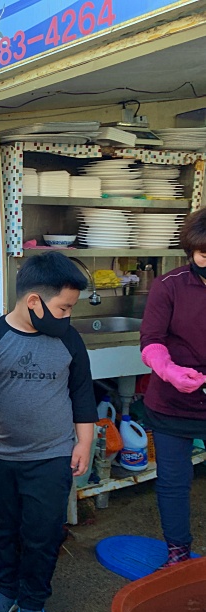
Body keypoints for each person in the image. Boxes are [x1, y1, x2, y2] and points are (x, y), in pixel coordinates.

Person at [0, 251, 95, 612]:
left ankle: (33, 597)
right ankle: (6, 589)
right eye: (63, 308)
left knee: (43, 534)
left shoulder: (69, 340)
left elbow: (82, 394)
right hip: (1, 457)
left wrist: (84, 443)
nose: (67, 316)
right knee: (3, 530)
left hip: (52, 457)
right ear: (34, 301)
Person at [140, 208, 206, 567]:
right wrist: (168, 370)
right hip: (172, 401)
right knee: (174, 481)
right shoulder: (169, 285)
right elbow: (151, 339)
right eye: (204, 254)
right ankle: (177, 554)